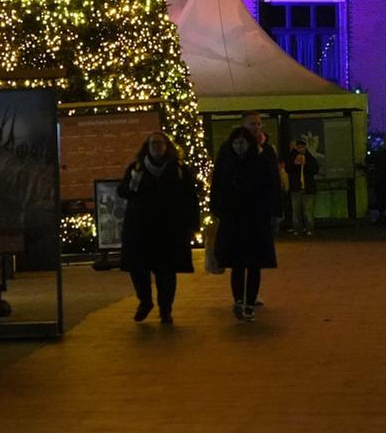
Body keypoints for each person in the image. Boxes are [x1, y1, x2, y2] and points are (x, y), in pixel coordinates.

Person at [118, 132, 199, 323]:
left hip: (169, 230)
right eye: (153, 143)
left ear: (167, 146)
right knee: (138, 269)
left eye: (160, 143)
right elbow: (123, 192)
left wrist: (191, 224)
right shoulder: (136, 168)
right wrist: (133, 183)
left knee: (166, 272)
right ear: (147, 146)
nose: (156, 146)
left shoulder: (178, 169)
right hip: (140, 229)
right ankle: (145, 301)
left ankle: (165, 309)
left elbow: (190, 198)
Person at [212, 115, 278, 321]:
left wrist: (274, 212)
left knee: (254, 263)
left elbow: (271, 183)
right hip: (234, 219)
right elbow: (218, 185)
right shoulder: (227, 155)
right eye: (252, 124)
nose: (256, 128)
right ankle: (240, 301)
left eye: (258, 124)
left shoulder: (263, 154)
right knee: (238, 263)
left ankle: (248, 302)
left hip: (255, 219)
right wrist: (219, 210)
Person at [283, 136, 321, 236]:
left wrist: (306, 163)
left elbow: (315, 169)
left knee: (307, 211)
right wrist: (295, 164)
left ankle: (309, 228)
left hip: (308, 188)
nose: (301, 149)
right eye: (299, 147)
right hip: (296, 188)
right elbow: (288, 168)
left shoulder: (310, 157)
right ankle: (297, 228)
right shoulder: (292, 157)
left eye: (302, 147)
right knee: (296, 211)